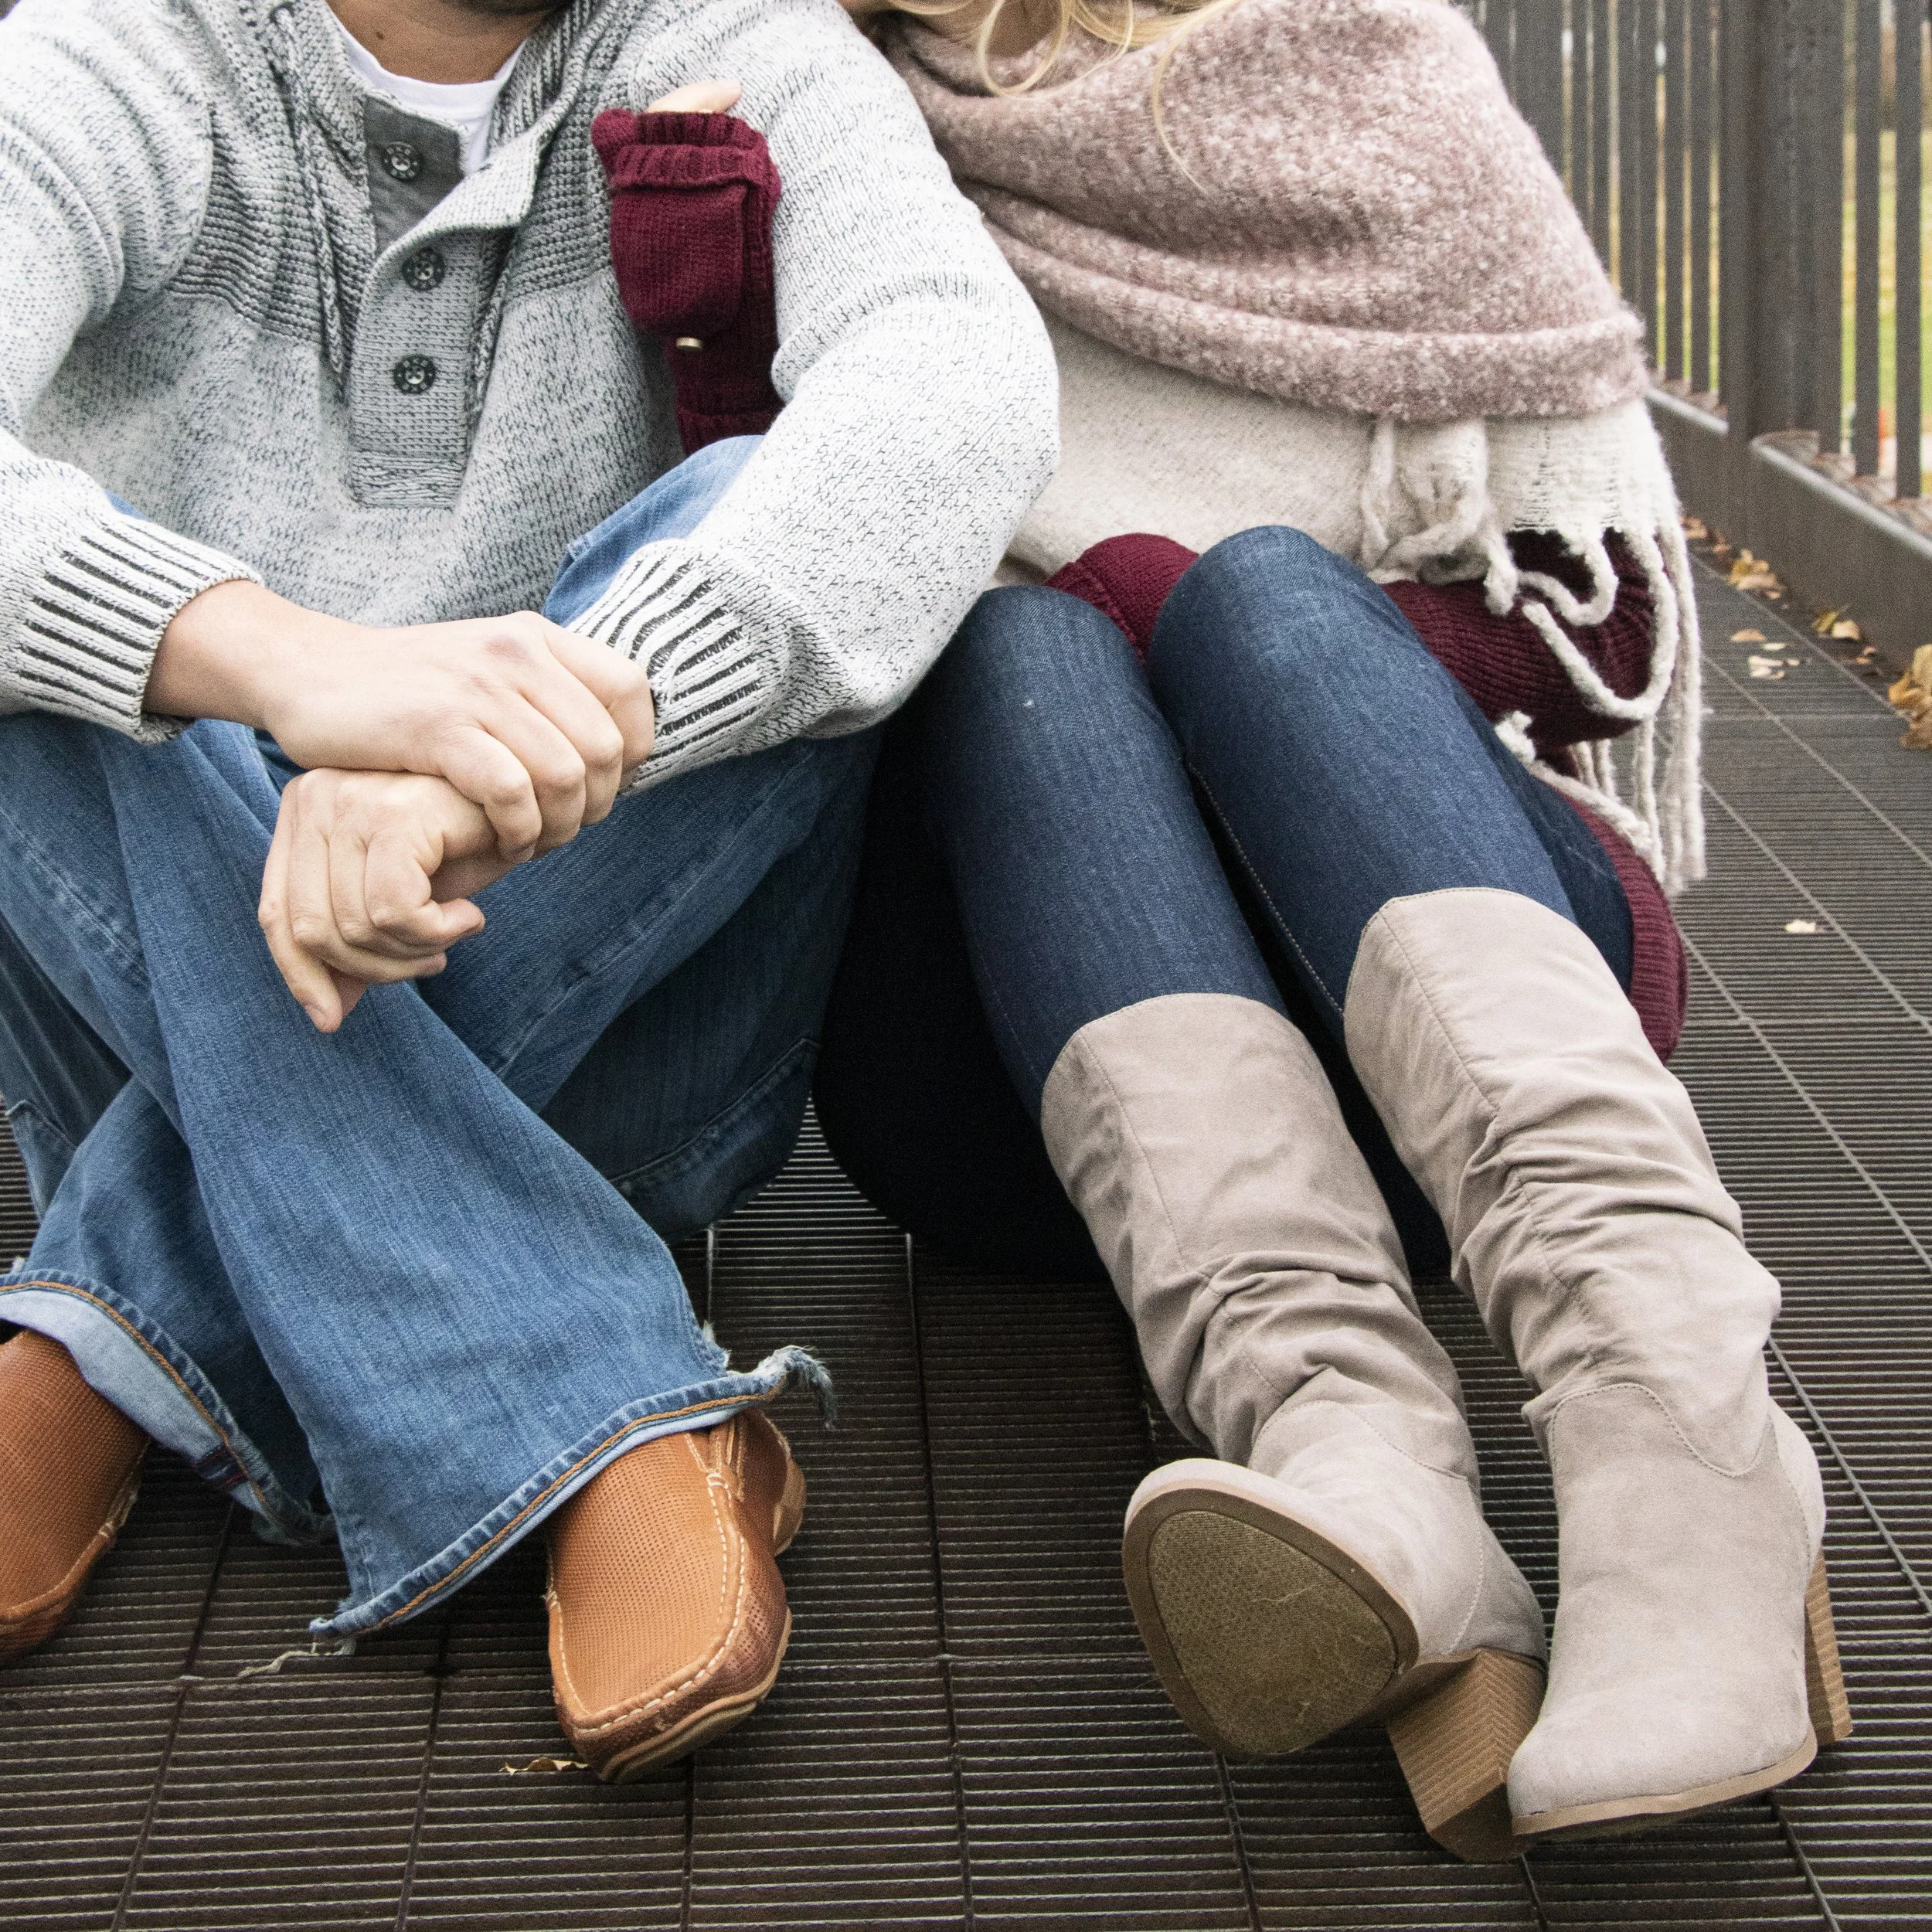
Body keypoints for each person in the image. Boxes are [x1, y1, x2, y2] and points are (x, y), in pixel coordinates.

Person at [811, 0, 1851, 1860]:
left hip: (1440, 1017)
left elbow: (1594, 629)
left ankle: (1678, 1428)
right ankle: (1350, 1457)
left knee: (1258, 600)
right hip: (1038, 1098)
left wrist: (1161, 594)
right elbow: (770, 564)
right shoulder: (820, 104)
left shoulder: (1354, 56)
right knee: (1012, 647)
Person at [0, 0, 1054, 1781]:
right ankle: (600, 1389)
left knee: (761, 529)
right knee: (74, 625)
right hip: (158, 987)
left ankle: (115, 1319)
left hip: (621, 1048)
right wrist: (269, 660)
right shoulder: (122, 48)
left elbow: (959, 376)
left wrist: (507, 753)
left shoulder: (734, 34)